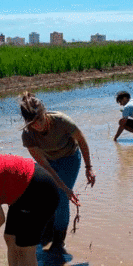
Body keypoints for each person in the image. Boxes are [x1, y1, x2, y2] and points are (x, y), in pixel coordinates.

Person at [19, 93, 95, 253]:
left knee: (61, 197)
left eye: (40, 120)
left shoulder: (61, 121)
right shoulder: (28, 135)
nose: (37, 126)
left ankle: (59, 241)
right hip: (48, 162)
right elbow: (44, 165)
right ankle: (48, 229)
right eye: (33, 123)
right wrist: (63, 186)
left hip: (69, 157)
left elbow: (81, 140)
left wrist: (89, 167)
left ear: (44, 113)